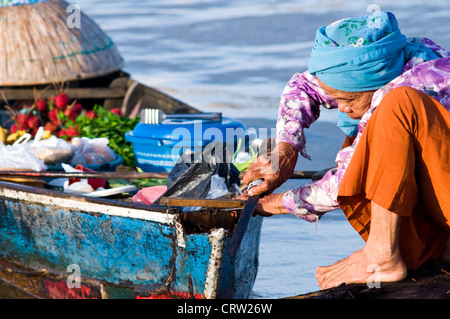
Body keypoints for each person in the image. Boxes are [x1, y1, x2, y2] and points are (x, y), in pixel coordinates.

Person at [239, 11, 450, 290]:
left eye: (345, 99)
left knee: (392, 113)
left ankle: (383, 255)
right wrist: (286, 150)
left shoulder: (409, 88)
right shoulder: (392, 60)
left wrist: (275, 204)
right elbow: (304, 86)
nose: (339, 107)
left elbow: (346, 178)